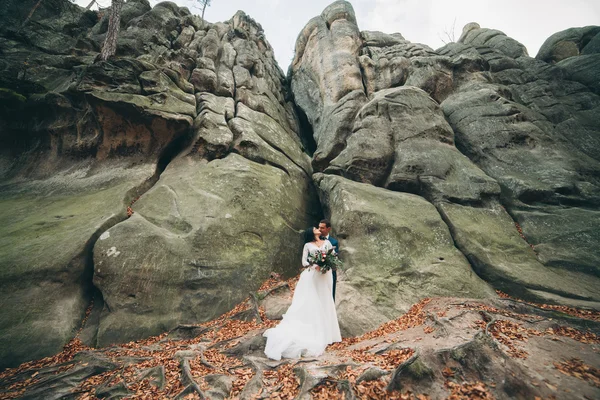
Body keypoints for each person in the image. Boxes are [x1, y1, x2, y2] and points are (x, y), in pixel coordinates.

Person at [263, 227, 341, 360]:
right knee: (314, 302)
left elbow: (333, 256)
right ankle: (316, 332)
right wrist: (314, 264)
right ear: (311, 232)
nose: (318, 229)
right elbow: (304, 261)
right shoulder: (307, 245)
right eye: (316, 228)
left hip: (325, 275)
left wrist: (327, 263)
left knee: (326, 300)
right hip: (313, 276)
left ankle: (330, 334)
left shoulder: (327, 244)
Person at [318, 219, 339, 301]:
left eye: (322, 228)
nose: (320, 229)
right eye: (319, 227)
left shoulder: (334, 242)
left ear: (328, 229)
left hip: (330, 272)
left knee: (330, 295)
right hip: (318, 272)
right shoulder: (315, 239)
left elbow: (335, 258)